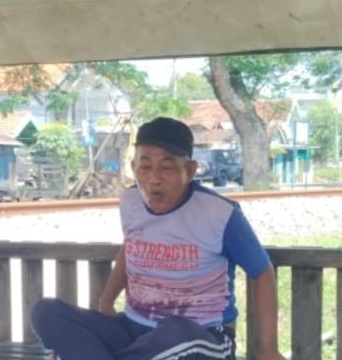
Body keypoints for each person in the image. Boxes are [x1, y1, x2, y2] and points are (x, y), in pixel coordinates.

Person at [30, 117, 286, 360]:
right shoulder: (130, 202)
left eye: (166, 167)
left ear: (190, 170)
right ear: (134, 168)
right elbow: (131, 247)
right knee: (47, 312)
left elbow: (261, 271)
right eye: (145, 167)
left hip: (202, 336)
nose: (154, 179)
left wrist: (269, 348)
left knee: (177, 331)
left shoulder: (220, 214)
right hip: (133, 330)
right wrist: (106, 300)